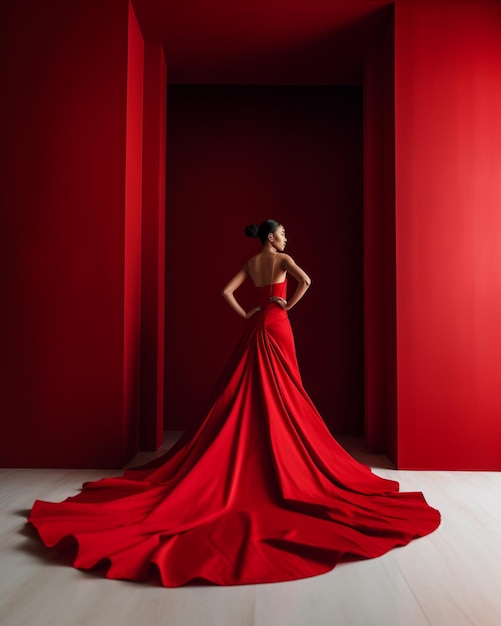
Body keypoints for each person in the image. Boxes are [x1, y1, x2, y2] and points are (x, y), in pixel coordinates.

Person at [28, 219, 440, 587]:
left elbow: (224, 292)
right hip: (278, 324)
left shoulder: (251, 263)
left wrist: (250, 310)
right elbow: (308, 282)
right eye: (282, 233)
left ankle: (259, 443)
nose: (286, 237)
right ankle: (281, 446)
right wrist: (286, 305)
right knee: (285, 388)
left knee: (250, 387)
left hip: (258, 321)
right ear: (271, 237)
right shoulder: (283, 260)